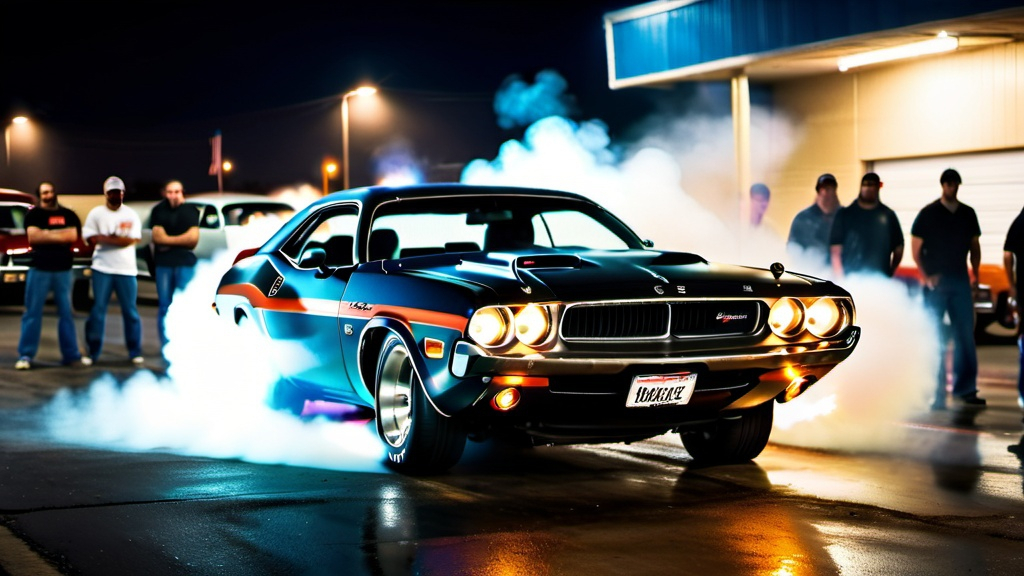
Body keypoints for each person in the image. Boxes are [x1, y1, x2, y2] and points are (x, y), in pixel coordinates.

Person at [911, 168, 985, 408]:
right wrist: (926, 276)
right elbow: (916, 248)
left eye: (955, 184)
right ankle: (936, 391)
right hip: (937, 284)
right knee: (935, 337)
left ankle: (966, 390)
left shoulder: (967, 213)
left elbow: (974, 246)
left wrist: (975, 275)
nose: (951, 187)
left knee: (965, 336)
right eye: (948, 184)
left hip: (960, 280)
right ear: (942, 185)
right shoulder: (929, 213)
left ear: (958, 186)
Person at [15, 182, 86, 369]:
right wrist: (59, 234)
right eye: (45, 192)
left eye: (51, 191)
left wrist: (45, 233)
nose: (49, 195)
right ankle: (26, 355)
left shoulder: (68, 215)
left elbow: (72, 236)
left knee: (66, 314)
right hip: (39, 270)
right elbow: (34, 237)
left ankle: (71, 355)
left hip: (63, 271)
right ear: (40, 195)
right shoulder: (34, 215)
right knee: (32, 313)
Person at [82, 176, 144, 365]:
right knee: (98, 311)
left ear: (123, 193)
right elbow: (91, 239)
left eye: (119, 192)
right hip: (102, 268)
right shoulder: (96, 214)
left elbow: (131, 240)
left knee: (130, 312)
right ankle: (93, 352)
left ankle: (134, 351)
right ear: (106, 193)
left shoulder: (131, 214)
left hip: (126, 270)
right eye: (112, 192)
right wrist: (115, 239)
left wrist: (104, 237)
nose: (116, 196)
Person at [149, 179, 199, 347]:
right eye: (170, 192)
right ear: (165, 193)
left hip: (185, 263)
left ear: (182, 192)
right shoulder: (158, 210)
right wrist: (181, 240)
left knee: (186, 305)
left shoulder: (191, 210)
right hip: (164, 264)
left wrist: (168, 240)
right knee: (164, 305)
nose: (173, 195)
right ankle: (166, 345)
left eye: (177, 192)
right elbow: (157, 238)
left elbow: (193, 240)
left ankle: (185, 343)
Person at [829, 172, 904, 278]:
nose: (868, 188)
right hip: (851, 278)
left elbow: (898, 248)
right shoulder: (845, 214)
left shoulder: (888, 215)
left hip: (880, 279)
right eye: (865, 185)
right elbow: (835, 250)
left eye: (871, 185)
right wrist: (840, 278)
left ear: (878, 187)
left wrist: (890, 271)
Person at [787, 173, 841, 269]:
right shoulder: (803, 219)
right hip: (811, 273)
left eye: (830, 189)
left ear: (835, 191)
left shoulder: (845, 217)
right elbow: (793, 251)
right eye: (823, 189)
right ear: (818, 192)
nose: (826, 193)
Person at [1004, 205, 1024, 417]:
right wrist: (1012, 287)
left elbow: (1008, 255)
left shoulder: (1019, 221)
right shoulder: (1021, 221)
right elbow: (1008, 255)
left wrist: (1012, 287)